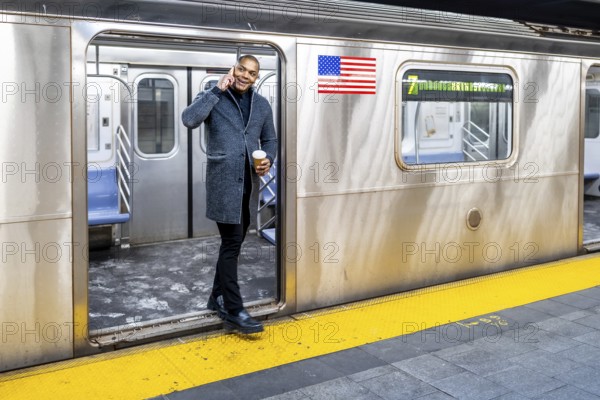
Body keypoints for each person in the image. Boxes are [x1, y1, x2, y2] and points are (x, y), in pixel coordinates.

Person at [182, 55, 277, 334]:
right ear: (233, 69)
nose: (246, 75)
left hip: (249, 184)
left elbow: (270, 139)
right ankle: (235, 309)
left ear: (257, 77)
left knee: (233, 241)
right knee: (232, 243)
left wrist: (268, 158)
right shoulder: (214, 95)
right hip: (224, 184)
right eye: (242, 69)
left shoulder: (261, 105)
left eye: (252, 73)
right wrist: (216, 90)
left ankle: (216, 297)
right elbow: (189, 119)